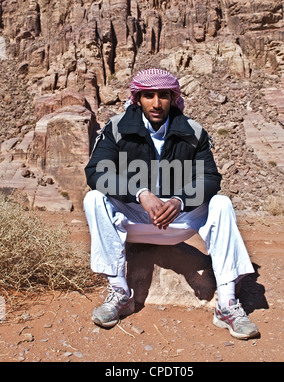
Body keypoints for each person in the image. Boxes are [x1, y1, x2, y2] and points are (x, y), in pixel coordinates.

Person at [83, 68, 259, 340]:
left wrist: (180, 200)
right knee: (94, 198)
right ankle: (120, 292)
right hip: (136, 219)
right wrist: (140, 193)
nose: (156, 103)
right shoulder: (117, 128)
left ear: (173, 97)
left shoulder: (193, 132)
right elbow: (96, 172)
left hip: (180, 220)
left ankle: (226, 303)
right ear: (137, 98)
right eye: (149, 96)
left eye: (163, 96)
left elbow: (210, 177)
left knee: (221, 204)